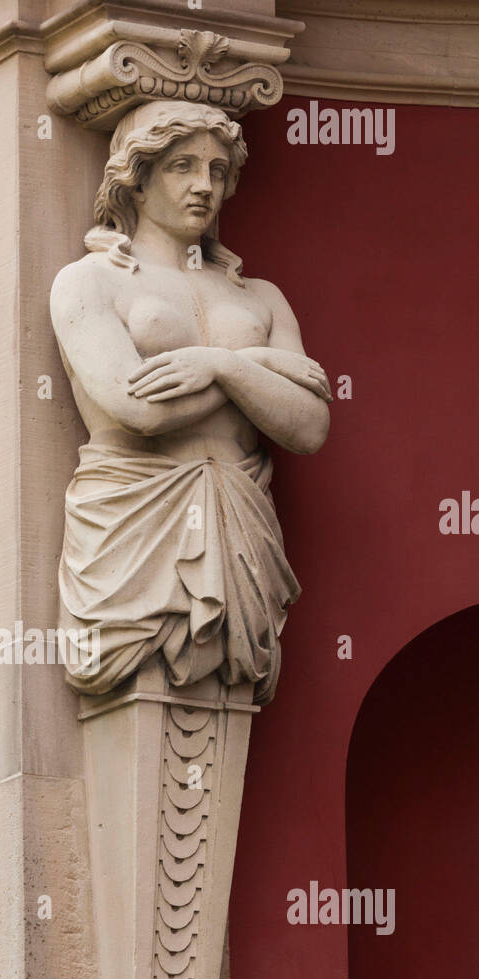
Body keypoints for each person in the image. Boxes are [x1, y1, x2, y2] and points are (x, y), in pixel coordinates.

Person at [50, 99, 331, 702]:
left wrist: (221, 363)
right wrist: (260, 372)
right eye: (181, 166)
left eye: (218, 170)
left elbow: (308, 426)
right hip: (135, 520)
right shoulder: (90, 281)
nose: (204, 186)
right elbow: (140, 409)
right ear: (138, 176)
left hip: (238, 519)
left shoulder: (262, 296)